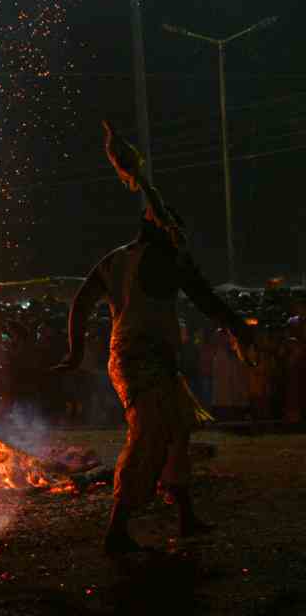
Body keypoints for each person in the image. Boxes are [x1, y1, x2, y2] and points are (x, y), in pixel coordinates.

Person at [54, 211, 253, 554]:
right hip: (138, 361)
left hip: (147, 359)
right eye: (176, 232)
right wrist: (237, 325)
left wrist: (76, 351)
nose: (180, 239)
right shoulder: (165, 260)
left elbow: (81, 303)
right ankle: (117, 528)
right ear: (161, 232)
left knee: (176, 429)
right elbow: (205, 297)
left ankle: (186, 515)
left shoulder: (114, 260)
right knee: (150, 436)